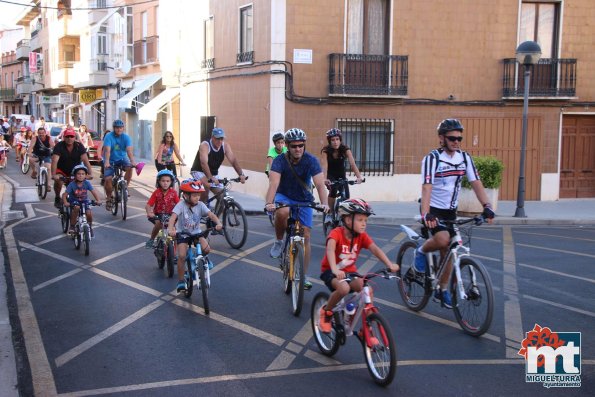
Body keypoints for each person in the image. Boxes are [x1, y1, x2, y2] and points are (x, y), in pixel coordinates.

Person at [416, 118, 496, 308]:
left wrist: (487, 206)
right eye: (452, 138)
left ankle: (442, 290)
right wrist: (426, 215)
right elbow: (426, 188)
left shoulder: (464, 158)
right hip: (433, 209)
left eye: (459, 138)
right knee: (443, 240)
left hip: (451, 211)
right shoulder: (432, 159)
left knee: (450, 251)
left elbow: (476, 182)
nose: (456, 142)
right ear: (442, 138)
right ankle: (420, 251)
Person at [318, 198, 399, 333]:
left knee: (366, 289)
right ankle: (326, 312)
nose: (364, 224)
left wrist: (389, 264)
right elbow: (330, 250)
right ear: (348, 220)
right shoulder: (336, 233)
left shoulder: (361, 236)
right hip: (330, 271)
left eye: (365, 221)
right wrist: (334, 269)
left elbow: (375, 249)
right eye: (360, 220)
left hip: (350, 273)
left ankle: (366, 327)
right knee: (343, 289)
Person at [264, 128, 330, 290]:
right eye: (294, 146)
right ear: (287, 146)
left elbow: (320, 184)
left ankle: (303, 275)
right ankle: (279, 241)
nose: (298, 149)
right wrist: (269, 203)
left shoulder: (311, 160)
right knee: (283, 212)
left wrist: (325, 203)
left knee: (306, 235)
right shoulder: (280, 160)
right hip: (284, 196)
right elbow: (273, 184)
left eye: (301, 145)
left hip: (304, 198)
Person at [168, 179, 223, 293]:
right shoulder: (181, 205)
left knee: (206, 249)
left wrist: (218, 223)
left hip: (196, 232)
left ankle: (204, 260)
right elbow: (173, 217)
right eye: (194, 195)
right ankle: (181, 281)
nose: (197, 197)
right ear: (186, 195)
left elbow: (211, 215)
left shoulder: (201, 205)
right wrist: (171, 229)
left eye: (199, 195)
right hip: (183, 234)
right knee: (182, 256)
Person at [190, 127, 247, 204]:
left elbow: (233, 160)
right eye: (217, 139)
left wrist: (241, 174)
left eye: (221, 139)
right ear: (212, 137)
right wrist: (210, 177)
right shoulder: (205, 145)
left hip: (213, 173)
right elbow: (204, 163)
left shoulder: (225, 146)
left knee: (222, 196)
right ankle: (202, 208)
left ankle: (215, 215)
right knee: (206, 185)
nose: (220, 141)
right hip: (199, 171)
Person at [321, 128, 363, 223]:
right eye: (333, 140)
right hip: (330, 175)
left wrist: (359, 177)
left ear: (340, 140)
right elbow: (324, 166)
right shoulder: (325, 151)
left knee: (346, 196)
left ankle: (342, 217)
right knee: (333, 192)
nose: (335, 142)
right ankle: (329, 213)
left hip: (341, 175)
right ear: (329, 141)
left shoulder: (345, 149)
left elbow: (352, 164)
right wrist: (324, 178)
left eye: (337, 139)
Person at [51, 127, 94, 208]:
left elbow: (85, 160)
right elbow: (54, 161)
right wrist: (53, 175)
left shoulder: (79, 146)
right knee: (58, 181)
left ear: (75, 137)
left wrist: (90, 174)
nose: (69, 138)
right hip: (61, 170)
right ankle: (57, 197)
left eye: (71, 136)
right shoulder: (59, 146)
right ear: (64, 137)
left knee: (78, 186)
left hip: (75, 170)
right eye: (67, 136)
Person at [103, 119, 137, 211]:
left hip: (122, 158)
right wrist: (106, 162)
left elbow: (129, 151)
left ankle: (125, 187)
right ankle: (109, 198)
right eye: (117, 128)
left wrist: (132, 161)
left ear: (123, 128)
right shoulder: (108, 136)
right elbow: (107, 151)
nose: (119, 129)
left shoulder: (126, 137)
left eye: (121, 128)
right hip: (110, 159)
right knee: (108, 179)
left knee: (130, 167)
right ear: (114, 128)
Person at [62, 165, 101, 235]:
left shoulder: (87, 183)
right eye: (78, 174)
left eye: (83, 174)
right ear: (75, 175)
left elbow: (94, 192)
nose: (80, 176)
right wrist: (65, 202)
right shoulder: (72, 184)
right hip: (74, 200)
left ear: (86, 175)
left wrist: (98, 200)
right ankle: (72, 226)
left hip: (84, 200)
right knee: (76, 208)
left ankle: (89, 227)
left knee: (89, 213)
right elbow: (64, 195)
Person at [145, 169, 180, 248]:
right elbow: (148, 205)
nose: (165, 183)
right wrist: (149, 212)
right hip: (158, 214)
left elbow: (179, 205)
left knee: (173, 233)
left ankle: (174, 254)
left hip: (170, 215)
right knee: (158, 224)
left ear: (171, 182)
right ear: (159, 182)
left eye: (168, 181)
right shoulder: (156, 192)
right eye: (163, 181)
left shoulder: (173, 193)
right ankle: (151, 240)